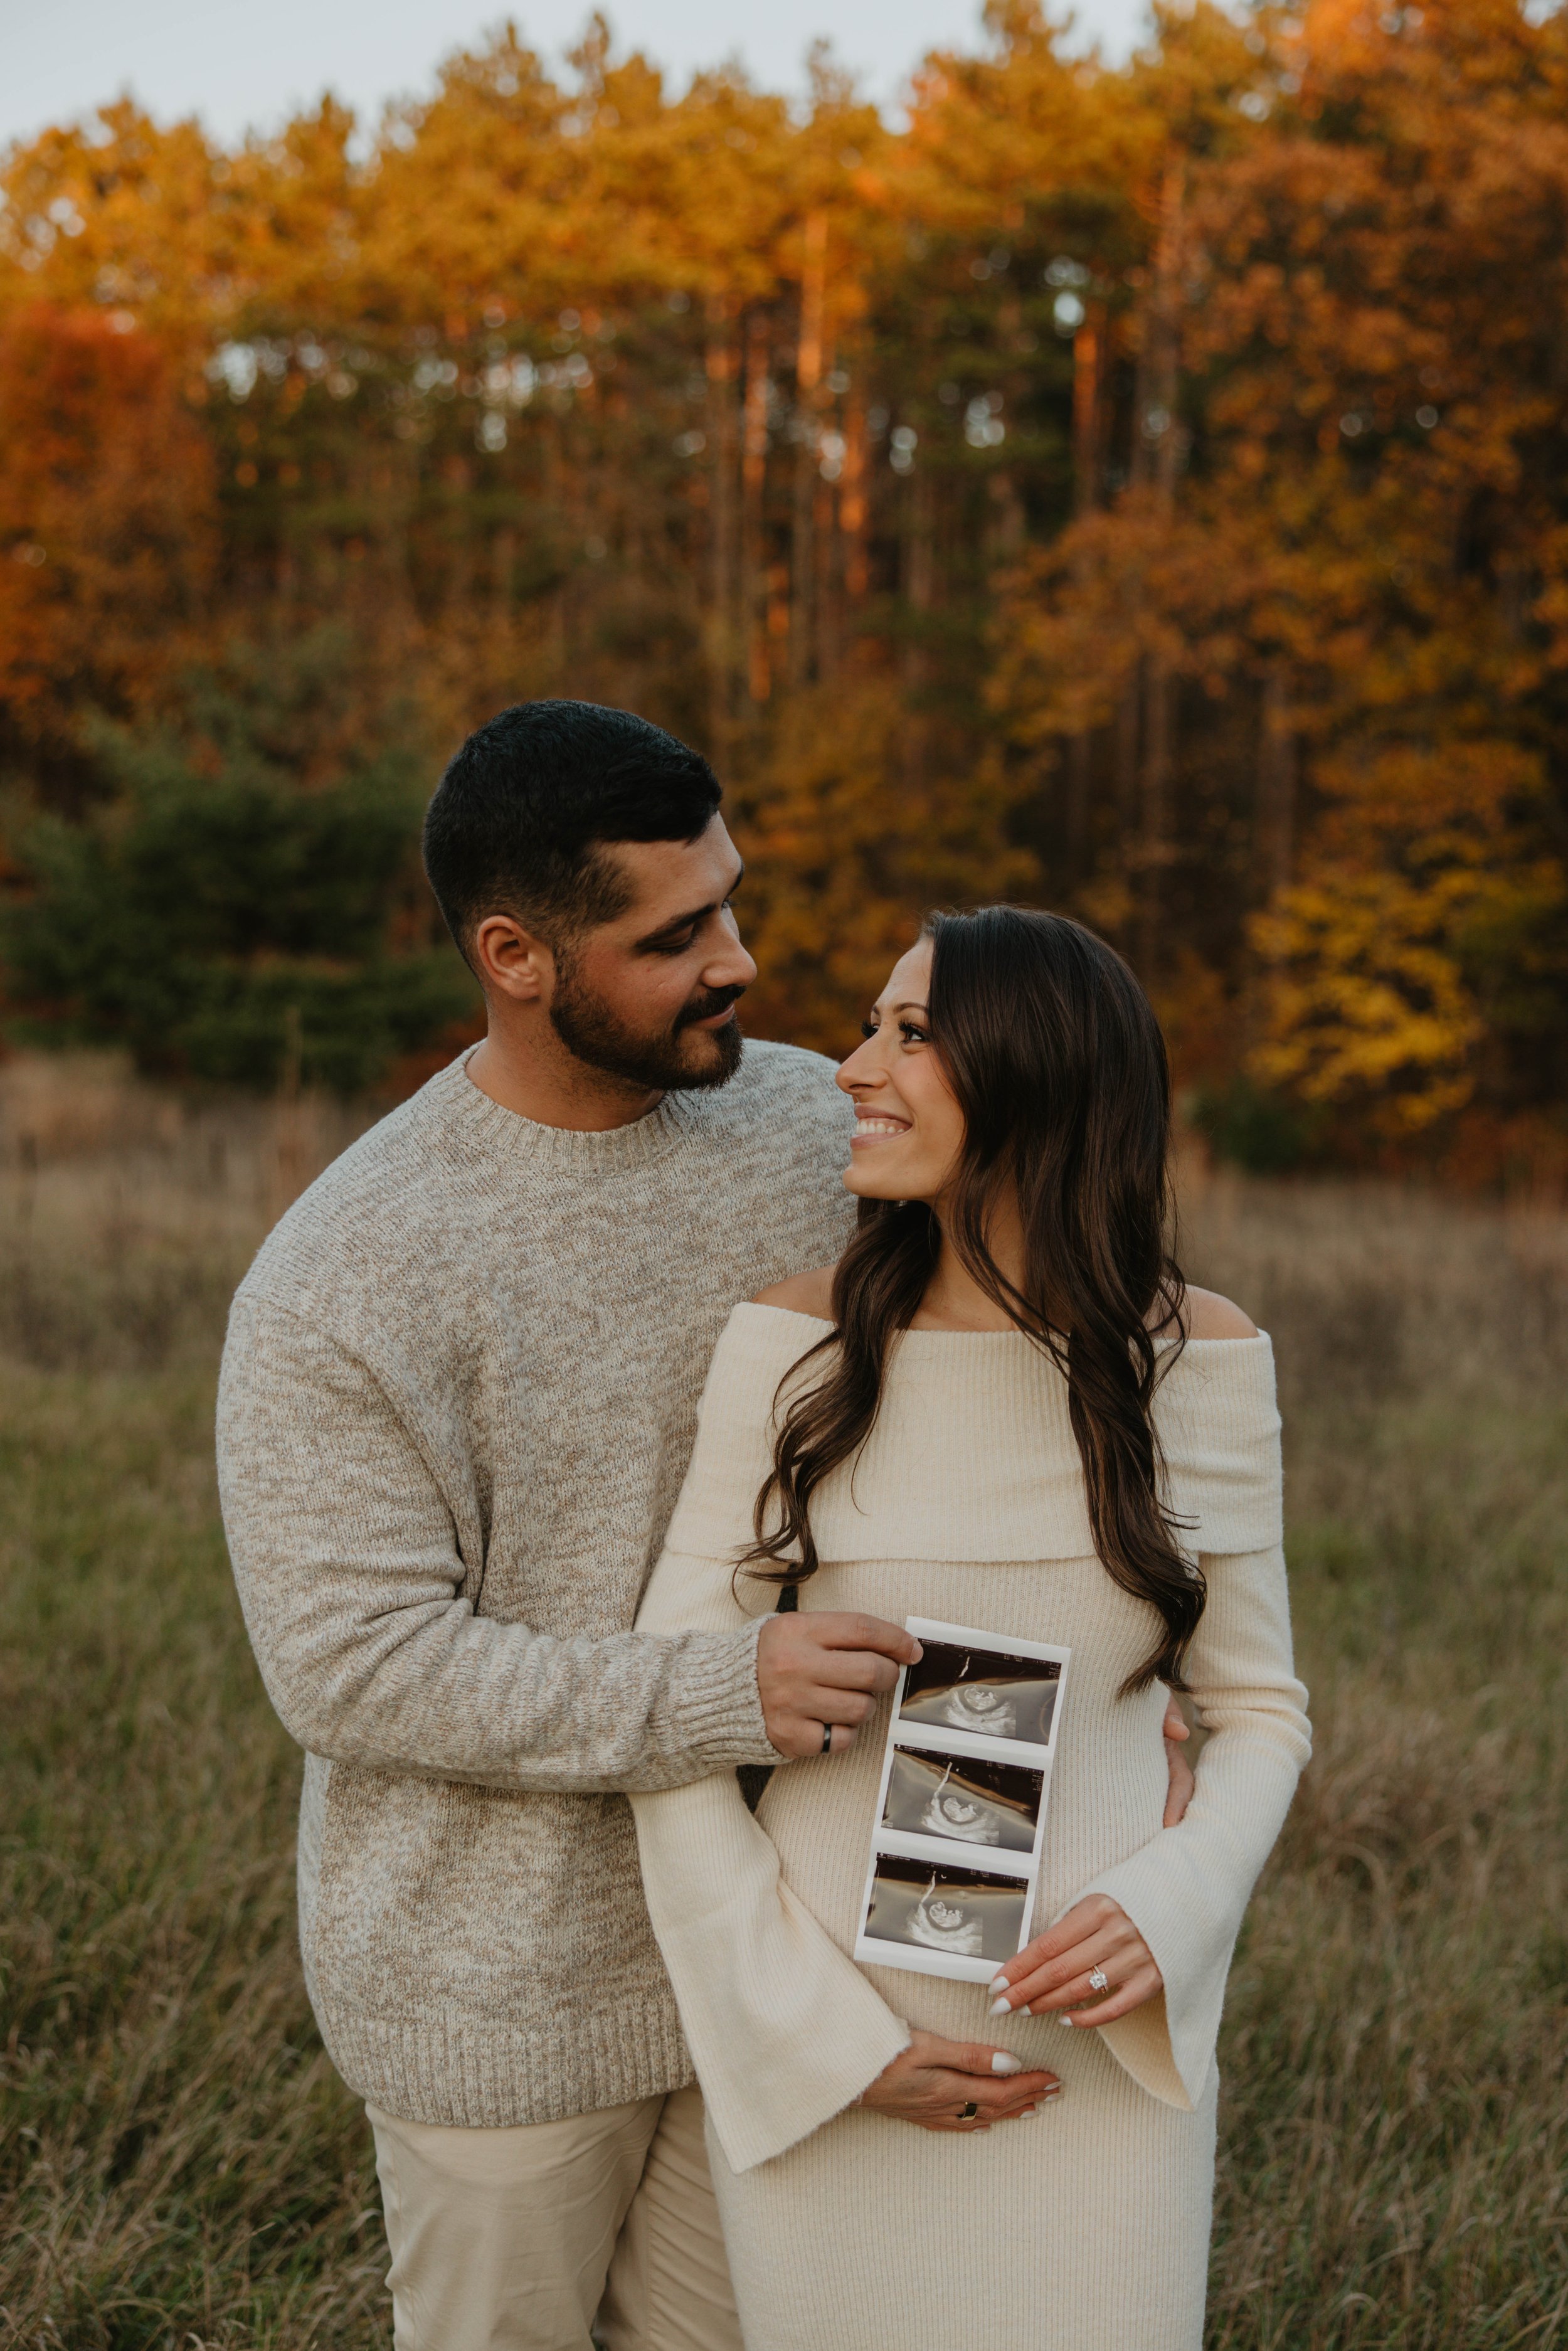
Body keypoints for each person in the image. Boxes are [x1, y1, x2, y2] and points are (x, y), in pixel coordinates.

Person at [216, 702, 1197, 2351]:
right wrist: (719, 1693)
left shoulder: (823, 1129)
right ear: (515, 953)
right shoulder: (348, 1274)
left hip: (799, 1962)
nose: (739, 958)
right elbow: (352, 1672)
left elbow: (1003, 1404)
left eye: (732, 903)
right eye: (677, 934)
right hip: (506, 1998)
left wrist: (1136, 1677)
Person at [629, 907, 1313, 2351]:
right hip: (831, 2041)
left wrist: (1172, 1908)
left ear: (1039, 1072)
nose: (852, 1067)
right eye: (872, 1026)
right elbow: (665, 1718)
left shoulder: (1199, 1359)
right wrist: (828, 2044)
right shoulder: (792, 1347)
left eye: (909, 1030)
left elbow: (1256, 1710)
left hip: (1093, 2058)